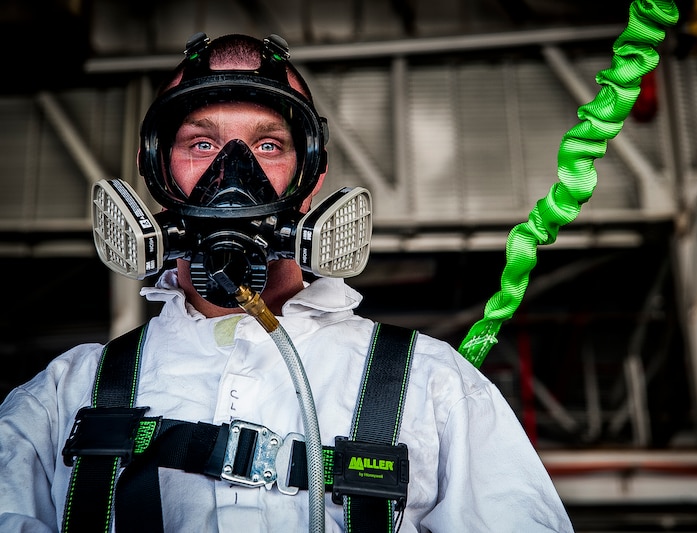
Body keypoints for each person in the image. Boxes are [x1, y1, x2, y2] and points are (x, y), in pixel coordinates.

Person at [0, 32, 574, 532]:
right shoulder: (61, 400)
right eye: (201, 144)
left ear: (311, 175)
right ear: (156, 171)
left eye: (268, 145)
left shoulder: (434, 389)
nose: (232, 172)